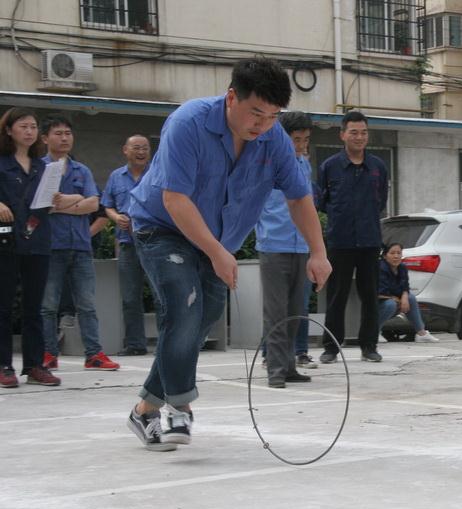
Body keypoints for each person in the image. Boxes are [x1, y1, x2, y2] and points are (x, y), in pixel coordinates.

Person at [126, 57, 331, 451]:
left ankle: (144, 409)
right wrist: (217, 252)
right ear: (232, 97)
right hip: (163, 227)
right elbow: (175, 199)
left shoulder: (273, 140)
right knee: (184, 306)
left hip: (219, 239)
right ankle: (179, 408)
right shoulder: (189, 123)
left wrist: (318, 252)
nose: (262, 125)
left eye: (272, 116)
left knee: (202, 320)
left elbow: (298, 197)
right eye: (256, 113)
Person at [39, 114, 120, 372]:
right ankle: (48, 352)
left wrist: (64, 203)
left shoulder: (81, 170)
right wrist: (77, 201)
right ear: (45, 138)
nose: (64, 138)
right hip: (50, 246)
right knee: (48, 305)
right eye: (58, 133)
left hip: (81, 246)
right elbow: (41, 207)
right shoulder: (38, 169)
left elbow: (94, 204)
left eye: (68, 133)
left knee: (87, 304)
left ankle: (93, 354)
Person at [317, 110, 389, 364]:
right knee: (337, 295)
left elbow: (381, 202)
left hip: (369, 241)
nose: (359, 137)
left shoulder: (378, 167)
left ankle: (369, 346)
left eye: (364, 133)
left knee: (370, 296)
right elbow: (322, 202)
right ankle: (331, 348)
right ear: (342, 135)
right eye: (354, 132)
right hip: (340, 241)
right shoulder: (329, 167)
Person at [255, 111, 318, 388]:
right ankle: (276, 370)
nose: (301, 145)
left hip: (301, 245)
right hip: (273, 245)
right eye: (296, 140)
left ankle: (289, 365)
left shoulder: (304, 164)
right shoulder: (267, 163)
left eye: (305, 139)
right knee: (276, 312)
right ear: (283, 138)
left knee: (296, 311)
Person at [0, 108, 61, 388]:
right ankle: (4, 365)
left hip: (37, 240)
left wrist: (56, 201)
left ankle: (35, 365)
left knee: (34, 306)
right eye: (23, 126)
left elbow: (44, 203)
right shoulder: (2, 163)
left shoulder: (43, 167)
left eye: (33, 126)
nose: (29, 131)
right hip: (6, 240)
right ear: (8, 130)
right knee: (3, 305)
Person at [102, 134, 152, 356]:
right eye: (136, 148)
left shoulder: (157, 173)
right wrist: (116, 217)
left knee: (162, 295)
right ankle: (135, 344)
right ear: (125, 150)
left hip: (155, 242)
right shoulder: (116, 176)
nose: (141, 152)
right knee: (130, 297)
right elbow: (107, 205)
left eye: (145, 148)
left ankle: (168, 343)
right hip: (127, 244)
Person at [378, 242, 440, 343]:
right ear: (385, 256)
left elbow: (405, 286)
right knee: (390, 304)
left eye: (399, 253)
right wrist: (398, 300)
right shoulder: (380, 268)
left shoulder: (402, 267)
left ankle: (421, 333)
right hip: (377, 304)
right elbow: (379, 292)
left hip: (394, 301)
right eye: (392, 253)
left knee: (410, 297)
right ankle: (374, 332)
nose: (396, 256)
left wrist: (405, 296)